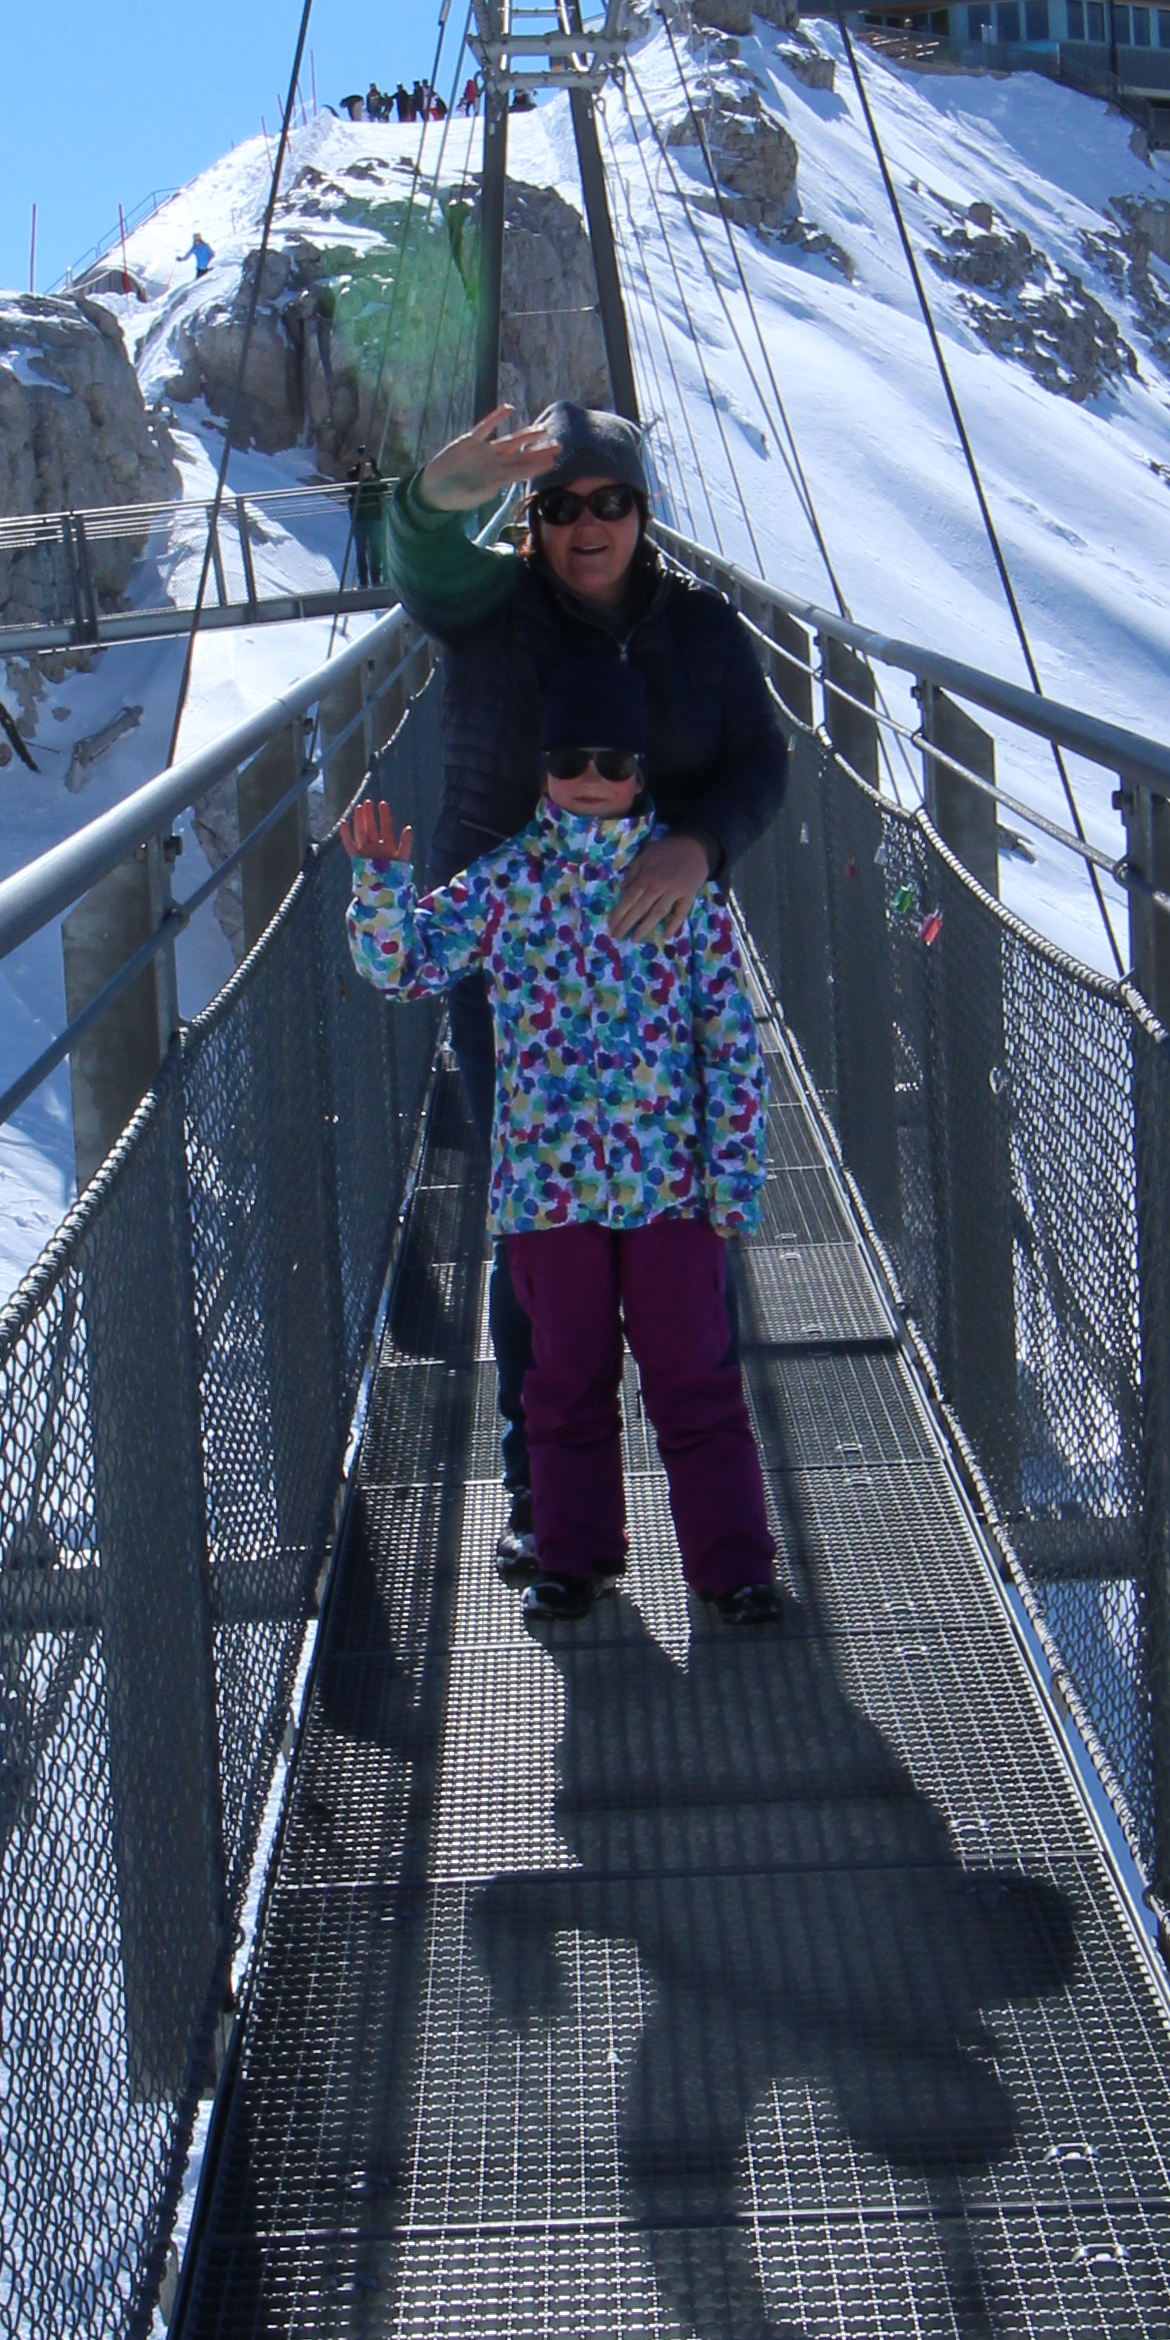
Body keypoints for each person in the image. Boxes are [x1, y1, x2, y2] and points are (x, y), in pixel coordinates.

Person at [368, 396, 786, 1560]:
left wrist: (701, 845)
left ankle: (718, 1519)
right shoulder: (493, 606)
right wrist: (430, 501)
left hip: (659, 961)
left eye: (609, 502)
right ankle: (541, 1498)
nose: (586, 525)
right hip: (513, 958)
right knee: (537, 1230)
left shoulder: (702, 627)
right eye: (559, 507)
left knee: (682, 1231)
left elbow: (761, 759)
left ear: (643, 514)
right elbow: (422, 570)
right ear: (533, 521)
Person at [341, 655, 787, 1628]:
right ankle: (573, 1559)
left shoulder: (683, 884)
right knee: (564, 1382)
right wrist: (379, 888)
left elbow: (729, 1044)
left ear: (640, 771)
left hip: (670, 1188)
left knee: (695, 1379)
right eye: (570, 758)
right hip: (548, 1189)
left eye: (613, 760)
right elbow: (402, 968)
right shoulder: (506, 882)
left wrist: (734, 1180)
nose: (592, 778)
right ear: (542, 767)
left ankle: (735, 1567)